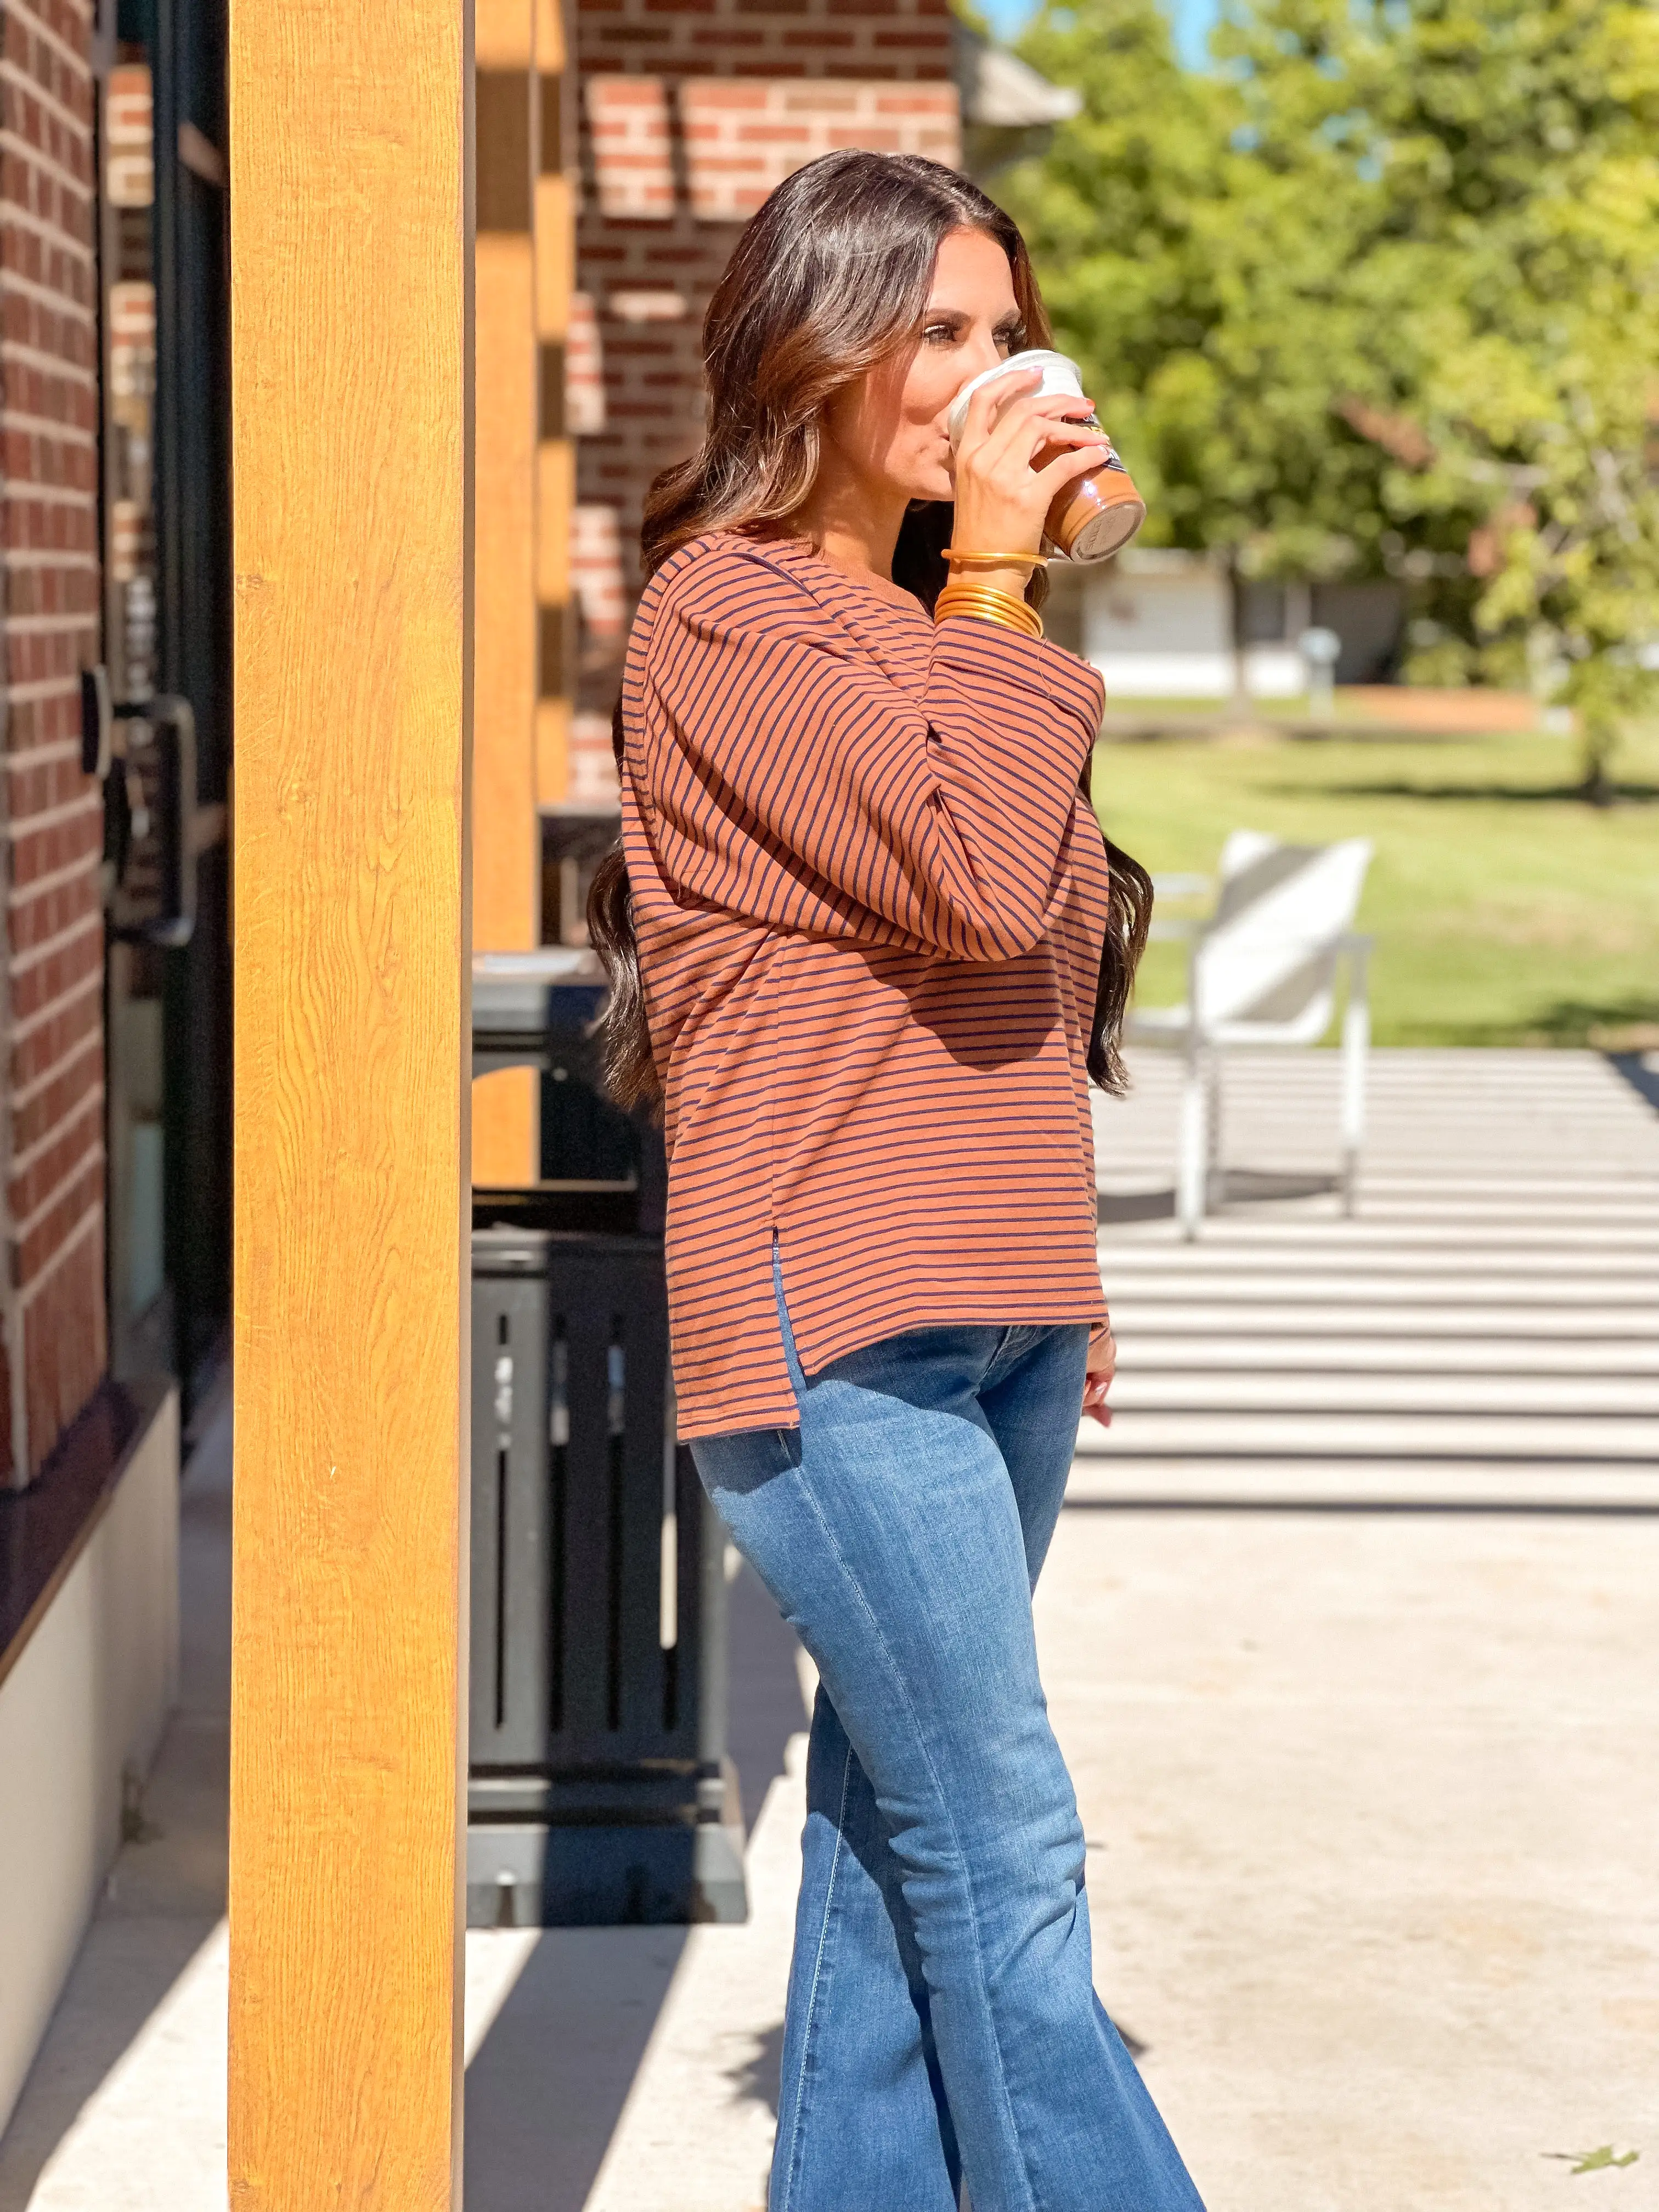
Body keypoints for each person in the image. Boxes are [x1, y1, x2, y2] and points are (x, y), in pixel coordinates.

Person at [588, 149, 1204, 2212]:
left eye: (1002, 331)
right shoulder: (724, 613)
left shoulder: (940, 623)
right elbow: (956, 877)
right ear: (818, 347)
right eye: (937, 332)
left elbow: (1018, 983)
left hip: (990, 1316)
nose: (985, 374)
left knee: (894, 1816)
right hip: (831, 1313)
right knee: (1006, 1840)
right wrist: (1006, 589)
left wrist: (1069, 1281)